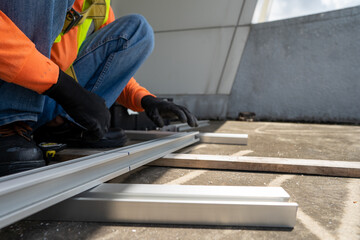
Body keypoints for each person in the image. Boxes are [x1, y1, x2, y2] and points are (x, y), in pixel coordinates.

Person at [0, 0, 198, 176]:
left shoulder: (97, 4)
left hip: (49, 96)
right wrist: (66, 90)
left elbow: (109, 64)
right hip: (16, 95)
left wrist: (144, 99)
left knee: (137, 31)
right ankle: (8, 124)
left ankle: (63, 126)